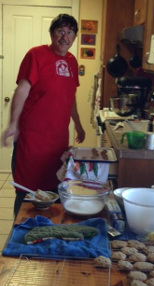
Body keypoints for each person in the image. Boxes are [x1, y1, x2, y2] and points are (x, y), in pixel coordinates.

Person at [3, 14, 85, 217]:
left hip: (58, 140)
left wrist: (79, 124)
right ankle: (20, 236)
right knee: (27, 191)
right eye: (60, 31)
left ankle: (48, 236)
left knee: (54, 190)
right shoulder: (36, 55)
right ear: (52, 34)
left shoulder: (72, 62)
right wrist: (13, 123)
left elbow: (70, 95)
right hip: (32, 138)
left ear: (75, 37)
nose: (65, 37)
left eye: (70, 32)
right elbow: (22, 89)